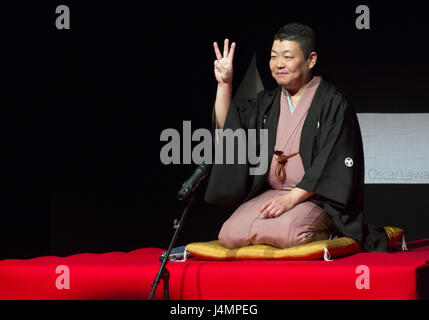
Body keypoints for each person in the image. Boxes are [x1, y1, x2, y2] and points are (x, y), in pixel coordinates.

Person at [204, 23, 389, 252]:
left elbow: (331, 161)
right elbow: (230, 128)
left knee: (291, 233)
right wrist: (225, 84)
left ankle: (331, 231)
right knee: (229, 235)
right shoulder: (268, 102)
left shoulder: (332, 102)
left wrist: (291, 199)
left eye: (287, 57)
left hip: (314, 197)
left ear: (311, 60)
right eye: (273, 57)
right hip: (273, 193)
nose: (278, 64)